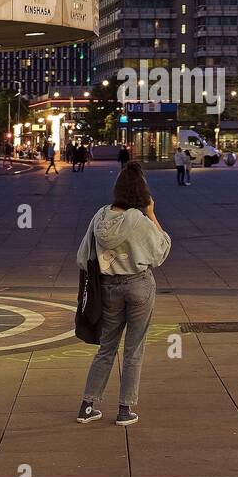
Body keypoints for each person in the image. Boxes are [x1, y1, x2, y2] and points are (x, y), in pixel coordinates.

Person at [76, 161, 171, 426]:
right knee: (134, 348)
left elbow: (84, 255)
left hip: (108, 287)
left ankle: (87, 405)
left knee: (107, 347)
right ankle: (124, 409)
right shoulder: (139, 221)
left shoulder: (100, 216)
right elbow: (161, 251)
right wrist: (152, 214)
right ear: (141, 193)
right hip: (138, 284)